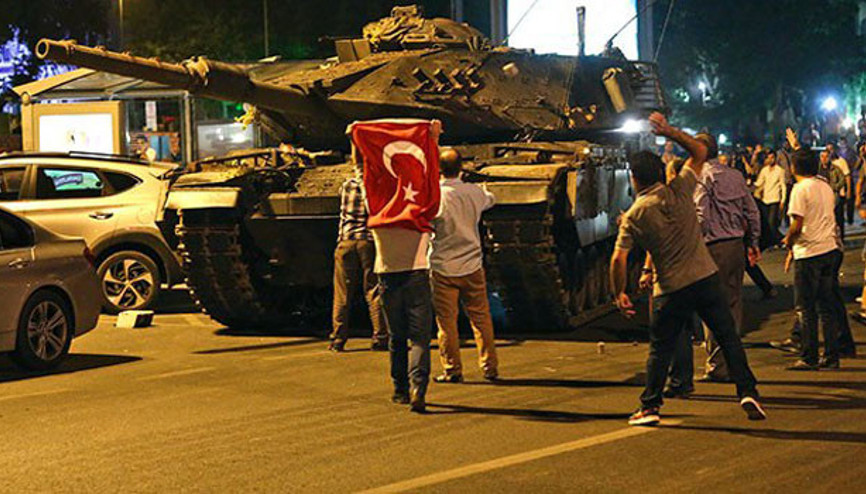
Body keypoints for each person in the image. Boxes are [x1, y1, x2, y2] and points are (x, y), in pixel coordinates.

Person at [610, 112, 766, 426]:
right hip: (706, 277)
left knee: (660, 349)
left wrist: (620, 292)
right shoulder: (680, 189)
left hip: (671, 287)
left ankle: (650, 405)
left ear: (634, 179)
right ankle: (747, 391)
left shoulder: (635, 214)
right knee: (727, 336)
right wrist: (669, 131)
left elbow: (618, 259)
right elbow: (699, 151)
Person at [665, 133, 763, 397]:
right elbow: (751, 211)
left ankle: (718, 366)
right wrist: (753, 241)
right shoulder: (735, 176)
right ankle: (729, 365)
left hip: (712, 248)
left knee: (710, 308)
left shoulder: (701, 177)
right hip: (735, 246)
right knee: (733, 305)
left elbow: (700, 216)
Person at [430, 148, 499, 383]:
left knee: (446, 322)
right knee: (481, 318)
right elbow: (490, 200)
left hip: (442, 267)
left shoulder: (434, 195)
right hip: (472, 265)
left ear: (438, 169)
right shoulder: (474, 192)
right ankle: (489, 367)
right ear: (461, 167)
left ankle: (452, 369)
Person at [782, 129, 843, 370]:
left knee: (805, 309)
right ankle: (831, 356)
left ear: (794, 168)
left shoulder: (800, 190)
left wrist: (788, 241)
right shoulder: (824, 185)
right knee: (826, 307)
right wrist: (796, 145)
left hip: (809, 253)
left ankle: (808, 356)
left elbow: (797, 224)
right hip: (829, 249)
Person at [328, 157, 389, 353]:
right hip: (368, 242)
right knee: (373, 289)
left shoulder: (347, 185)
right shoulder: (376, 186)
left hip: (345, 241)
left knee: (342, 293)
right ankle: (380, 337)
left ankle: (338, 339)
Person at [753, 150, 786, 247]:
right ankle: (776, 240)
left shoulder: (780, 170)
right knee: (767, 223)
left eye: (772, 157)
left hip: (775, 199)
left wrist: (783, 200)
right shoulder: (764, 170)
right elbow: (759, 183)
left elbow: (783, 186)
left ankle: (778, 240)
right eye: (768, 158)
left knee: (772, 222)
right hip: (765, 199)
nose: (770, 160)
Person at [819, 150, 848, 242]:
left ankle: (840, 238)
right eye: (822, 156)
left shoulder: (835, 169)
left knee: (838, 218)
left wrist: (833, 187)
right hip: (821, 198)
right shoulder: (817, 170)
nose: (824, 159)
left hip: (834, 197)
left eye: (826, 157)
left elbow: (842, 180)